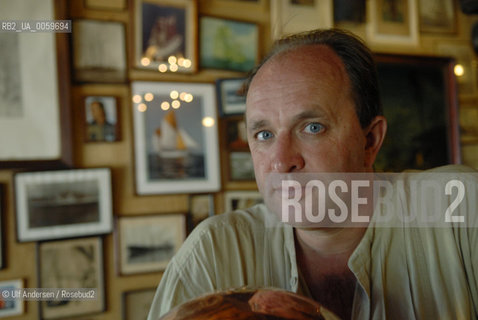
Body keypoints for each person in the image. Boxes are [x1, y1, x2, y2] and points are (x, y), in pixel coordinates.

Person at [147, 28, 478, 319]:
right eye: (264, 134)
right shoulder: (215, 253)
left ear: (370, 141)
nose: (281, 162)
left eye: (312, 127)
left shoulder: (459, 213)